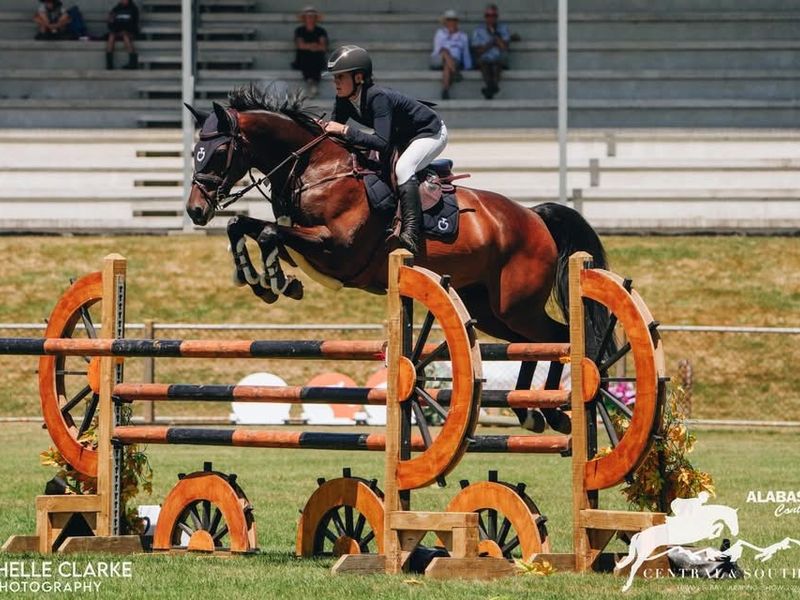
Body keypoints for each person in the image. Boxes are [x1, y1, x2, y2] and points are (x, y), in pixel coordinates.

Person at [322, 45, 448, 255]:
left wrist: (345, 129)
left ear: (359, 77)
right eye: (334, 77)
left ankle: (411, 233)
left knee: (403, 168)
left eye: (340, 77)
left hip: (429, 133)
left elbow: (381, 142)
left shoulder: (377, 97)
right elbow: (333, 132)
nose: (335, 82)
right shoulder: (343, 99)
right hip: (401, 136)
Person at [471, 4, 511, 99]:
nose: (490, 18)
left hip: (499, 58)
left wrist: (496, 36)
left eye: (493, 16)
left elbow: (504, 47)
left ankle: (490, 88)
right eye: (488, 16)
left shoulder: (503, 28)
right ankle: (492, 87)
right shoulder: (478, 30)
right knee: (485, 65)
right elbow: (477, 51)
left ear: (496, 17)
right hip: (484, 59)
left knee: (497, 64)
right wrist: (491, 43)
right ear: (485, 17)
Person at [430, 9, 472, 100]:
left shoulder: (463, 36)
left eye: (453, 20)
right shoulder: (440, 33)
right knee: (445, 52)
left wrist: (468, 66)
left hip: (454, 60)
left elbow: (465, 53)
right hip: (439, 58)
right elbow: (437, 50)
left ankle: (445, 89)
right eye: (449, 20)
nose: (451, 22)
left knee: (447, 65)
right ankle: (455, 72)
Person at [291, 6, 328, 98]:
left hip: (317, 57)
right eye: (308, 16)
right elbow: (300, 45)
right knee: (307, 57)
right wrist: (313, 46)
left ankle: (312, 83)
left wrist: (309, 46)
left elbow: (323, 46)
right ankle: (312, 83)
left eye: (312, 16)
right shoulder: (300, 30)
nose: (310, 19)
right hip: (303, 57)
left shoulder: (321, 31)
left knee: (315, 57)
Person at [106, 0, 139, 70]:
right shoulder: (116, 9)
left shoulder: (134, 9)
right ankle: (109, 64)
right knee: (111, 36)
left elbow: (134, 24)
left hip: (130, 32)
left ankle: (132, 63)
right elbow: (110, 23)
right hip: (118, 31)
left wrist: (126, 30)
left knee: (125, 36)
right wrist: (116, 30)